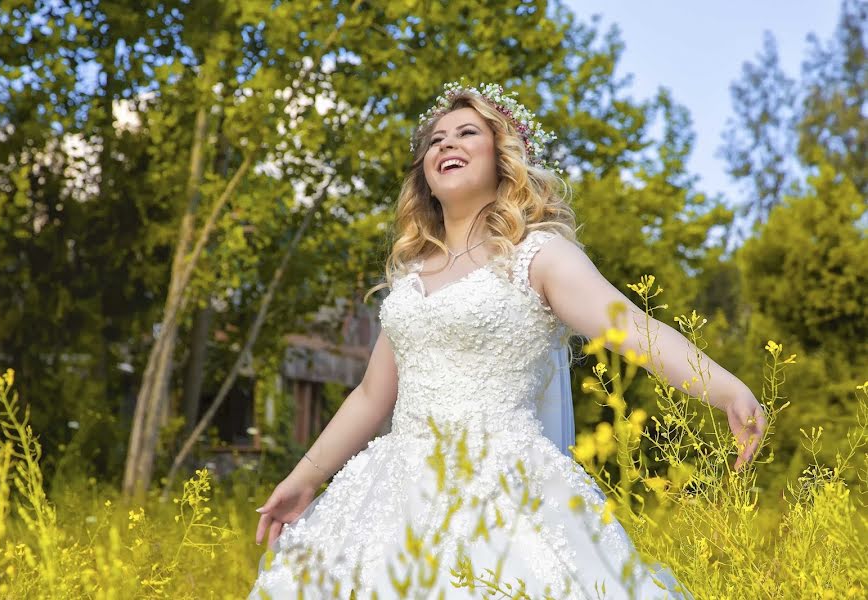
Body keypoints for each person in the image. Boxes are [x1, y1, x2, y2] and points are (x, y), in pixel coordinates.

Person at [248, 81, 767, 599]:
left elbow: (631, 326)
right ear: (424, 174)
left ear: (503, 159)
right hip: (391, 492)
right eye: (435, 140)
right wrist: (304, 478)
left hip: (504, 487)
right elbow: (370, 396)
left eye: (466, 133)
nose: (445, 144)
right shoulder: (410, 275)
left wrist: (723, 388)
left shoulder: (537, 256)